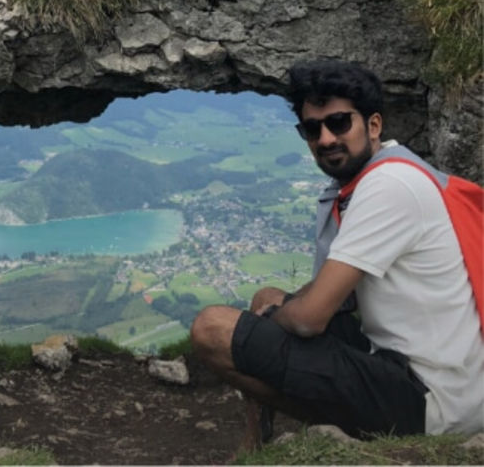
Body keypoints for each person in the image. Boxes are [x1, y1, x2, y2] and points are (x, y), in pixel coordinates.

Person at [190, 60, 484, 448]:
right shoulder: (389, 175)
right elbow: (336, 293)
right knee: (267, 297)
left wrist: (277, 319)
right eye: (312, 128)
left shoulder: (388, 185)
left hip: (431, 400)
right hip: (421, 371)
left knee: (212, 328)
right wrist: (277, 311)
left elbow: (311, 320)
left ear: (373, 125)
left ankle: (344, 426)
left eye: (340, 122)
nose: (326, 138)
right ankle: (256, 442)